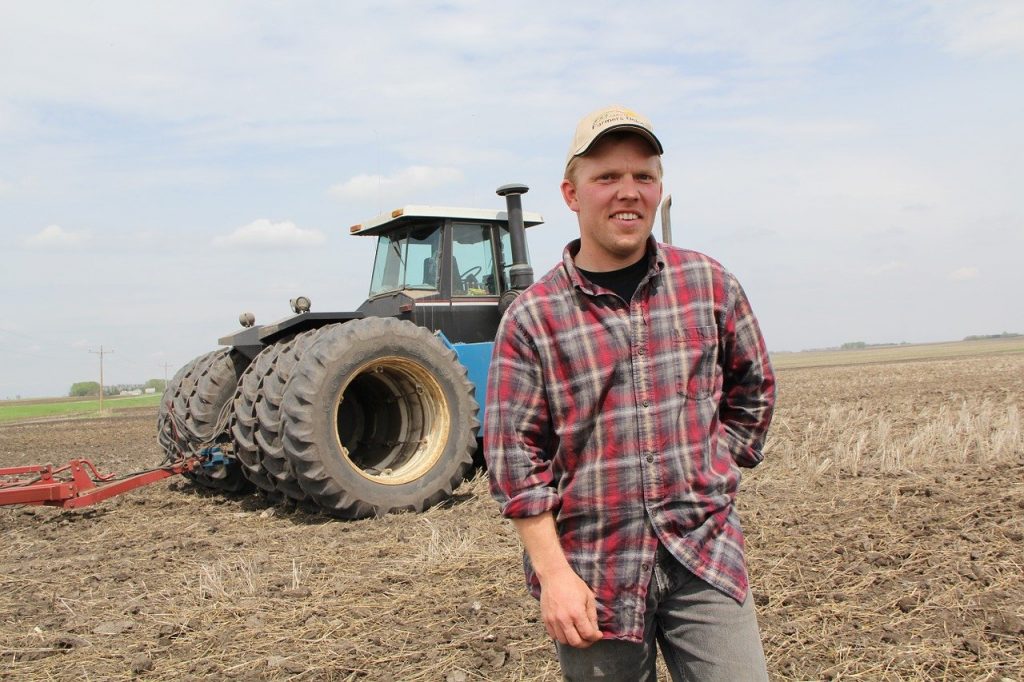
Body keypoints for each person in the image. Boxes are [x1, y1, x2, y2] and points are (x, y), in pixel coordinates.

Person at [483, 106, 777, 681]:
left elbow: (754, 390)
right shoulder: (532, 318)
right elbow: (515, 462)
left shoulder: (709, 284)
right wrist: (554, 576)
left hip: (704, 555)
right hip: (593, 574)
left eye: (643, 176)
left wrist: (716, 466)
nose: (628, 192)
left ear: (660, 190)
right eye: (607, 178)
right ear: (572, 194)